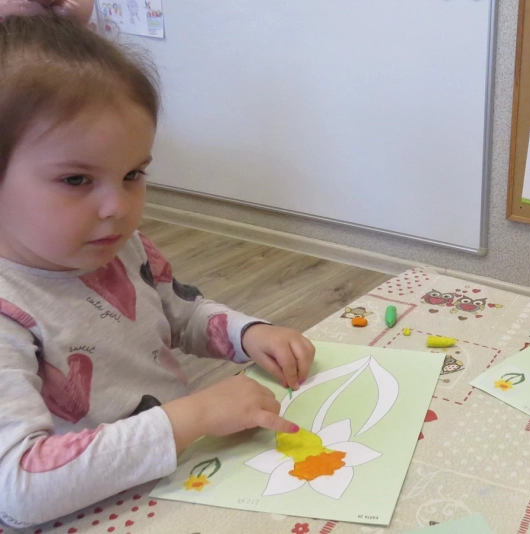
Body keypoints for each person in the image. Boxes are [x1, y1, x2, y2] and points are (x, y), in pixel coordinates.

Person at [0, 1, 315, 527]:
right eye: (76, 180)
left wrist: (248, 334)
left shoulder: (121, 247)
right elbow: (17, 487)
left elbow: (180, 314)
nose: (117, 207)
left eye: (133, 175)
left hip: (178, 477)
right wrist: (193, 415)